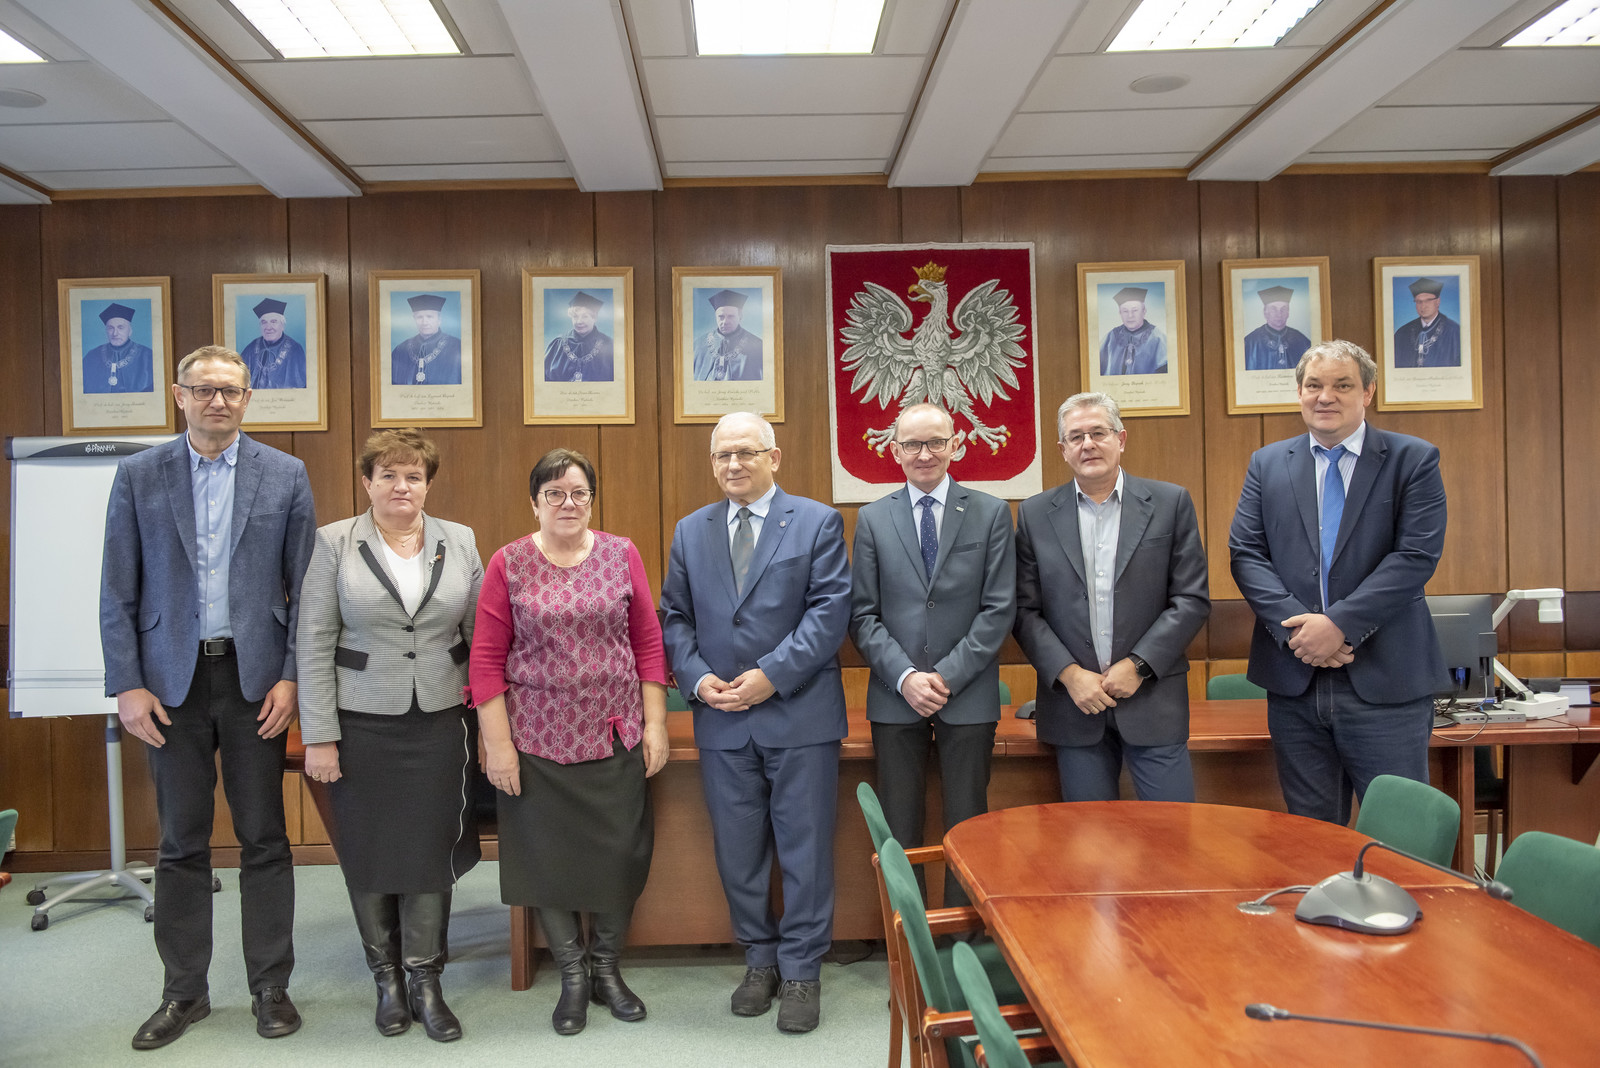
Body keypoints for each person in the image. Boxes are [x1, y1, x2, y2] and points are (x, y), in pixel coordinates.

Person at [99, 344, 316, 1050]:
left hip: (257, 684)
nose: (217, 401)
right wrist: (127, 683)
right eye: (203, 389)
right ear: (179, 396)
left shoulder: (285, 474)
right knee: (180, 842)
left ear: (248, 400)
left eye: (230, 391)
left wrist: (291, 676)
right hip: (169, 685)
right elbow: (117, 589)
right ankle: (183, 992)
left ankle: (270, 987)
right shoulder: (140, 474)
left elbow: (305, 589)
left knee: (265, 838)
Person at [660, 412, 850, 1034]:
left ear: (774, 456)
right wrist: (696, 680)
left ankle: (801, 969)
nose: (734, 464)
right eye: (723, 455)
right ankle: (760, 961)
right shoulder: (691, 530)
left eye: (745, 452)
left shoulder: (817, 521)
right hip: (722, 718)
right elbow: (674, 617)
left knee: (805, 850)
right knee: (738, 852)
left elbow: (829, 612)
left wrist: (772, 674)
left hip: (799, 714)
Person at [470, 449, 669, 1037]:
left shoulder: (621, 553)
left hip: (614, 734)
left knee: (620, 854)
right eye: (554, 493)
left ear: (591, 500)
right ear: (534, 502)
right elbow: (485, 660)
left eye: (579, 492)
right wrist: (498, 746)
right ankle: (573, 974)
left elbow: (648, 644)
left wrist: (655, 724)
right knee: (545, 861)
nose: (567, 503)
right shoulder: (508, 562)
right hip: (535, 741)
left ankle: (606, 967)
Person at [296, 428, 484, 1043]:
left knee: (430, 850)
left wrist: (491, 720)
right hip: (360, 721)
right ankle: (387, 981)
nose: (401, 486)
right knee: (370, 851)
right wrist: (319, 736)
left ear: (427, 484)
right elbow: (313, 640)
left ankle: (426, 980)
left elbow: (482, 637)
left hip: (440, 718)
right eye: (388, 476)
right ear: (367, 482)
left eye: (413, 476)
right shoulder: (334, 542)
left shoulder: (459, 540)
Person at [1228, 339, 1448, 824]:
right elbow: (1245, 554)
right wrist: (1300, 631)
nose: (1325, 397)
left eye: (1342, 385)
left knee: (1398, 832)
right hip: (1295, 684)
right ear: (1299, 393)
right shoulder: (1267, 463)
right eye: (1313, 385)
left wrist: (1338, 624)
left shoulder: (1412, 459)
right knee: (1311, 835)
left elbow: (1415, 557)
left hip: (1386, 683)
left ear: (1368, 392)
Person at [848, 402, 1014, 906]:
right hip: (895, 696)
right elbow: (862, 614)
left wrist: (944, 676)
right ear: (895, 451)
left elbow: (999, 609)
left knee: (968, 824)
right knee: (899, 828)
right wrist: (905, 677)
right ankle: (911, 938)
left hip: (968, 694)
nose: (925, 454)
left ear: (955, 445)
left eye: (936, 442)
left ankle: (961, 935)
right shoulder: (873, 518)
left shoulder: (990, 512)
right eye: (913, 444)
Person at [1014, 392, 1209, 802]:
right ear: (1063, 450)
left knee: (1173, 831)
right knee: (1089, 837)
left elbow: (1190, 599)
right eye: (1076, 437)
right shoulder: (1035, 514)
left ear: (1121, 439)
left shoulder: (1170, 503)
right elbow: (1024, 610)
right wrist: (1070, 675)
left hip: (1153, 699)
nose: (1088, 444)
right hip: (1075, 705)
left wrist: (1138, 665)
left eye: (1098, 433)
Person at [82, 301, 155, 393]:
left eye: (120, 327)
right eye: (110, 328)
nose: (115, 333)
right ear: (106, 331)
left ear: (130, 331)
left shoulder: (148, 357)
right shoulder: (91, 357)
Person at [692, 290, 763, 381]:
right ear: (715, 316)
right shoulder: (698, 346)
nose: (725, 322)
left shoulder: (759, 347)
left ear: (740, 316)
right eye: (721, 317)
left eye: (731, 316)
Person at [543, 291, 615, 382]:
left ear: (594, 318)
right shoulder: (557, 345)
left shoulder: (610, 345)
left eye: (585, 316)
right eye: (575, 317)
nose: (579, 321)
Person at [391, 294, 462, 385]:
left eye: (429, 316)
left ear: (439, 319)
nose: (424, 322)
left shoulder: (458, 348)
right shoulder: (400, 350)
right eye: (419, 317)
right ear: (414, 319)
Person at [240, 298, 308, 390]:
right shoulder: (251, 347)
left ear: (282, 326)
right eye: (264, 322)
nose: (268, 327)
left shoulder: (295, 350)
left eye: (273, 321)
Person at [1392, 278, 1461, 367]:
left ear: (1438, 301)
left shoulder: (1455, 332)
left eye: (1428, 300)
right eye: (1419, 301)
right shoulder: (1402, 333)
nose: (1423, 306)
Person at [1098, 287, 1166, 376]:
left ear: (1144, 311)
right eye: (1125, 311)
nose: (1130, 316)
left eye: (1135, 310)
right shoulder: (1111, 336)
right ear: (1120, 313)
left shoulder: (1158, 338)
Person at [1243, 285, 1311, 371]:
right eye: (1273, 309)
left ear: (1288, 313)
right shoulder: (1250, 342)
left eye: (1283, 309)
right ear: (1265, 312)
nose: (1279, 314)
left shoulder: (1302, 341)